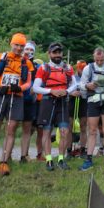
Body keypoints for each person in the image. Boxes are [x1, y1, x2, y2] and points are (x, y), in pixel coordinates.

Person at [0, 33, 34, 176]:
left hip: (16, 97)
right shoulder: (0, 57)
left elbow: (29, 82)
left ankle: (4, 162)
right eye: (16, 45)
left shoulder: (27, 62)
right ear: (11, 44)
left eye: (22, 46)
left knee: (11, 128)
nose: (19, 48)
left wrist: (21, 88)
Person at [33, 42, 77, 171]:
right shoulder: (43, 68)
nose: (57, 55)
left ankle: (61, 159)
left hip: (63, 101)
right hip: (48, 101)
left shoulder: (68, 68)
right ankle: (48, 160)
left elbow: (75, 84)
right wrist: (50, 91)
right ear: (49, 54)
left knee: (64, 131)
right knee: (46, 131)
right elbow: (35, 87)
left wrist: (67, 91)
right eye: (54, 52)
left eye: (59, 52)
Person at [20, 41, 41, 163]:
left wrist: (35, 89)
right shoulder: (17, 62)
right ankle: (8, 155)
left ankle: (24, 155)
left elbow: (40, 81)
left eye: (31, 50)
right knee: (11, 127)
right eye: (26, 49)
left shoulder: (37, 66)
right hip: (16, 97)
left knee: (27, 128)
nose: (28, 52)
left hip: (31, 100)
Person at [68, 60, 88, 159]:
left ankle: (83, 150)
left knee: (83, 126)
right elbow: (66, 88)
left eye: (84, 68)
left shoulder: (88, 76)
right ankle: (68, 150)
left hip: (84, 101)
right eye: (81, 68)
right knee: (69, 126)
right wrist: (71, 93)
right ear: (78, 68)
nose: (83, 70)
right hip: (72, 101)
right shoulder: (72, 76)